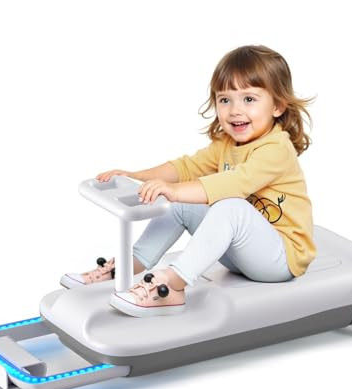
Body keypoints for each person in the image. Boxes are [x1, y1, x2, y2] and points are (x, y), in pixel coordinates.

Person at [62, 44, 317, 318]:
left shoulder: (277, 148)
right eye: (225, 100)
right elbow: (186, 168)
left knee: (228, 205)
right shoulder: (226, 144)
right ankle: (124, 268)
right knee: (181, 204)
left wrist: (174, 190)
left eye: (249, 99)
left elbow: (235, 183)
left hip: (280, 260)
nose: (235, 110)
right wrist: (135, 176)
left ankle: (173, 286)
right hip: (242, 255)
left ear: (277, 106)